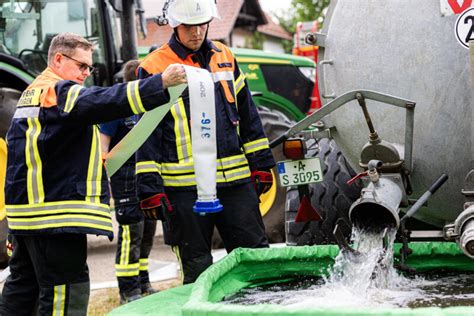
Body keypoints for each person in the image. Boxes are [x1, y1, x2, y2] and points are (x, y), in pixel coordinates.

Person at [0, 32, 186, 315]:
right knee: (67, 295)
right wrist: (158, 84)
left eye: (90, 67)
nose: (87, 73)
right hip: (55, 219)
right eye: (82, 66)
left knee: (21, 293)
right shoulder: (57, 92)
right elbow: (103, 100)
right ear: (59, 59)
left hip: (28, 219)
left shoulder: (32, 94)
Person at [136, 0, 275, 284]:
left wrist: (261, 163)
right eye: (189, 25)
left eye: (202, 24)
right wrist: (149, 185)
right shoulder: (154, 67)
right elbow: (146, 130)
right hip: (185, 189)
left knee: (255, 259)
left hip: (236, 184)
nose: (197, 31)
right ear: (175, 24)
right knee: (197, 265)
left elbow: (248, 114)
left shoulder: (224, 55)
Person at [99, 60, 157, 304]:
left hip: (145, 172)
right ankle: (128, 291)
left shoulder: (149, 106)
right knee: (131, 231)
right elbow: (104, 141)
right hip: (124, 175)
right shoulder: (118, 106)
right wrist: (106, 171)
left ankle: (143, 282)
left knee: (148, 230)